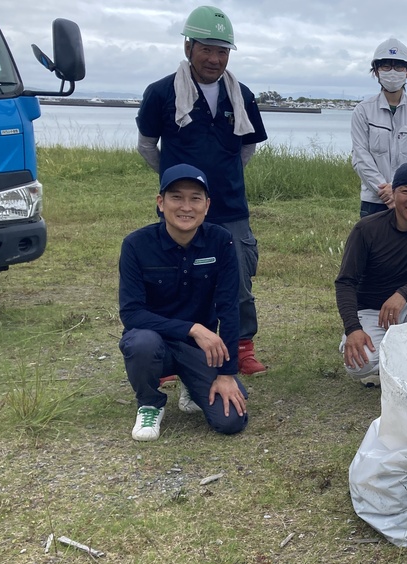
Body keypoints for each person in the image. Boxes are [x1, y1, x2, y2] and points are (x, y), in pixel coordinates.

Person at [136, 5, 270, 377]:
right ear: (188, 47)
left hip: (230, 206)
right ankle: (171, 352)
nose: (214, 59)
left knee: (239, 281)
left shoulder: (241, 95)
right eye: (206, 49)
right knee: (175, 281)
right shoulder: (161, 92)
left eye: (222, 51)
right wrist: (177, 185)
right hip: (181, 210)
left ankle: (242, 347)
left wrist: (218, 182)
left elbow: (247, 147)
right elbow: (147, 146)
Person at [119, 164, 249, 442]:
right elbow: (132, 314)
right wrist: (193, 328)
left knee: (231, 420)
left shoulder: (221, 242)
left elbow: (229, 308)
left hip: (198, 350)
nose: (186, 207)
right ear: (160, 203)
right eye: (176, 197)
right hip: (155, 343)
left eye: (195, 198)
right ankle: (150, 403)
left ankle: (192, 383)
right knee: (141, 343)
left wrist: (227, 373)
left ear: (207, 204)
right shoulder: (135, 245)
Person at [335, 162, 407, 386]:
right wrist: (353, 328)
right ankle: (401, 361)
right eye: (405, 191)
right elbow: (345, 282)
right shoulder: (367, 229)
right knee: (359, 365)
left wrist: (403, 293)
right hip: (373, 311)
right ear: (393, 193)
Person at [351, 38, 407, 219]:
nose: (392, 72)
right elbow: (361, 157)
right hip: (374, 200)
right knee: (372, 246)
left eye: (399, 67)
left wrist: (400, 189)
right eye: (385, 67)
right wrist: (386, 191)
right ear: (375, 71)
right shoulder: (363, 111)